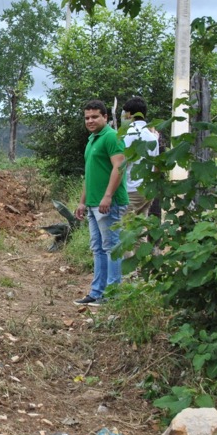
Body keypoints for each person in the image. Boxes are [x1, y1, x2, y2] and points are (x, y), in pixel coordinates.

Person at [73, 99, 129, 307]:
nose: (90, 120)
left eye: (95, 116)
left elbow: (119, 167)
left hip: (109, 203)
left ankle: (112, 294)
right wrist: (82, 202)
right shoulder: (92, 140)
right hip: (93, 204)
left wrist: (107, 196)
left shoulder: (111, 137)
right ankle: (97, 292)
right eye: (87, 117)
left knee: (111, 247)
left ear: (105, 117)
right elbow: (90, 175)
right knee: (98, 248)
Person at [121, 97, 159, 216]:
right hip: (147, 189)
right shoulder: (153, 137)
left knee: (123, 228)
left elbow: (122, 164)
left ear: (129, 114)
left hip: (131, 190)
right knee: (140, 227)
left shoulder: (128, 134)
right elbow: (156, 165)